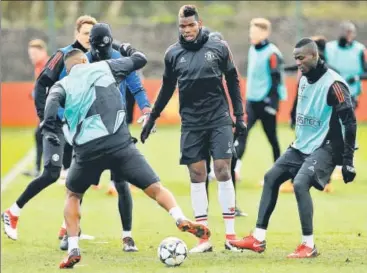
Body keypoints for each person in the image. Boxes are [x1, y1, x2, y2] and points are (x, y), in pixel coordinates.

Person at [40, 47, 211, 268]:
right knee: (156, 187)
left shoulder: (61, 85)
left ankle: (73, 247)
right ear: (84, 60)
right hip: (120, 144)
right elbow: (140, 59)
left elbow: (51, 103)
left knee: (73, 194)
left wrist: (49, 128)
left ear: (68, 68)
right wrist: (126, 48)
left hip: (87, 151)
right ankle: (178, 217)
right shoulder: (105, 66)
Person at [228, 38, 357, 258]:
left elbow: (350, 122)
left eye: (301, 58)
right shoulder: (304, 79)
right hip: (301, 146)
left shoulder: (334, 84)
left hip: (326, 146)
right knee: (271, 177)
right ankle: (258, 239)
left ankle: (308, 245)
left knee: (300, 184)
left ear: (315, 56)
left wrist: (347, 162)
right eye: (295, 58)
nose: (297, 62)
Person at [140, 5, 246, 253]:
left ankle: (231, 236)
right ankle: (203, 238)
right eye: (182, 26)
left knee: (222, 170)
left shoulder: (219, 47)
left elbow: (232, 79)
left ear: (199, 23)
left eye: (191, 25)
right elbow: (166, 88)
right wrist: (152, 118)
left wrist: (239, 115)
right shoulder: (173, 54)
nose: (187, 30)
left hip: (219, 118)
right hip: (191, 123)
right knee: (197, 175)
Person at [1, 15, 97, 242]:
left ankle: (68, 228)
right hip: (56, 125)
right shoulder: (62, 55)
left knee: (79, 177)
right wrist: (44, 117)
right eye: (85, 34)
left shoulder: (93, 59)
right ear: (77, 34)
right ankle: (12, 212)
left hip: (78, 127)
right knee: (51, 174)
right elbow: (41, 83)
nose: (89, 39)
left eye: (92, 35)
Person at [59, 23, 152, 253]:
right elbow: (65, 91)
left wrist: (147, 110)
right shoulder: (82, 62)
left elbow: (136, 88)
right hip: (88, 131)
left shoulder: (118, 57)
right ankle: (71, 233)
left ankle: (127, 236)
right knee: (78, 186)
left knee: (121, 182)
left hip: (115, 128)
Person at [236, 18, 287, 189]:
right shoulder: (252, 49)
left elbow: (276, 80)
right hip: (252, 101)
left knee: (272, 138)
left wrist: (273, 104)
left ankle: (280, 173)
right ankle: (235, 169)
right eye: (251, 32)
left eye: (255, 32)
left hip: (266, 103)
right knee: (242, 133)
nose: (251, 35)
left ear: (265, 33)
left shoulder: (273, 53)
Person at [205, 30, 248, 217]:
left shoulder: (225, 71)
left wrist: (237, 118)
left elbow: (233, 92)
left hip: (222, 122)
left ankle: (232, 206)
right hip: (203, 123)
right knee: (203, 166)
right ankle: (203, 209)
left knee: (233, 159)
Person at [22, 39, 50, 178]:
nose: (32, 56)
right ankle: (40, 168)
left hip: (50, 108)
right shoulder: (39, 66)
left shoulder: (46, 65)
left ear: (43, 52)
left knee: (42, 135)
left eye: (34, 53)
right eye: (30, 54)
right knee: (41, 136)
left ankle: (44, 169)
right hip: (44, 108)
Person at [325, 21, 367, 110]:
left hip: (351, 92)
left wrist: (356, 78)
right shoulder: (329, 47)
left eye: (349, 32)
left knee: (347, 120)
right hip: (331, 91)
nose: (347, 35)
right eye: (344, 31)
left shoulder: (360, 49)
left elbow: (365, 72)